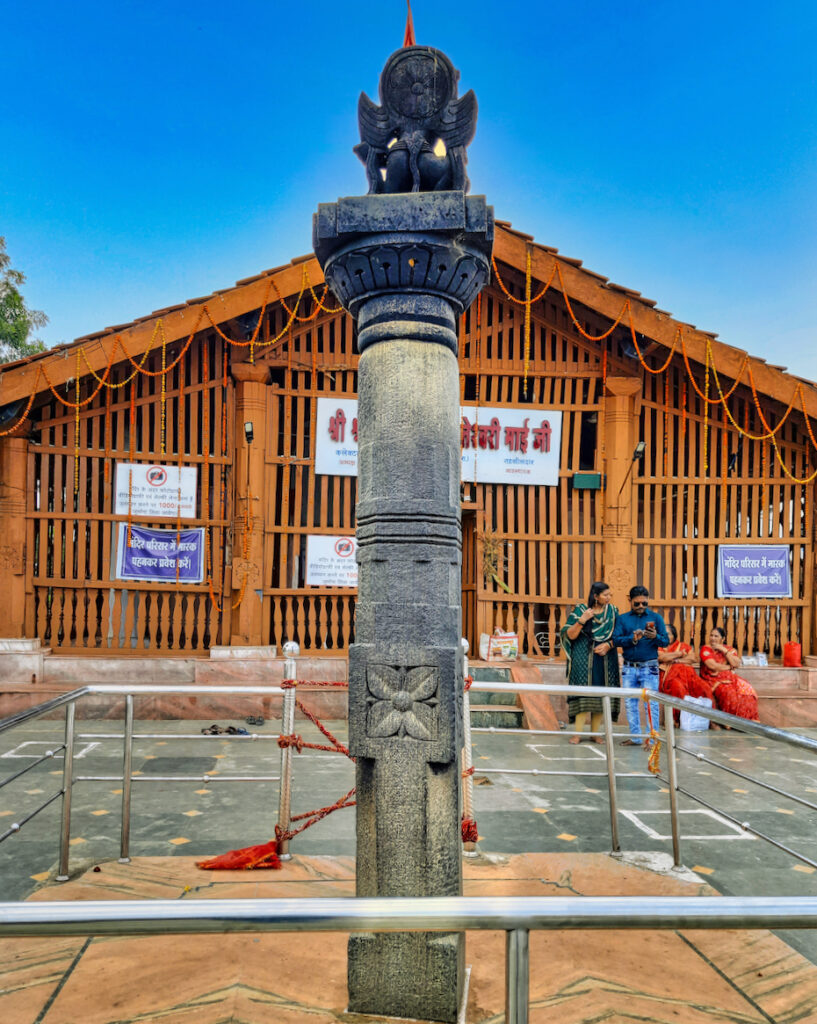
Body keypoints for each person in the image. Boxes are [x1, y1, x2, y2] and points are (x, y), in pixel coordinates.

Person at [560, 581, 621, 744]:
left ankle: (595, 733)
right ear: (595, 596)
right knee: (582, 692)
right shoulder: (581, 610)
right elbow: (570, 635)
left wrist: (609, 645)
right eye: (605, 595)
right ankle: (577, 734)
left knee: (602, 692)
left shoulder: (613, 612)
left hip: (606, 657)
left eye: (610, 595)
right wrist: (582, 620)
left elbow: (619, 635)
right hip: (583, 656)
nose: (609, 598)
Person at [612, 585, 669, 746]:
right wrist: (633, 639)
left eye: (644, 603)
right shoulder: (623, 619)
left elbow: (665, 641)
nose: (641, 607)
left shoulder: (656, 618)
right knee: (630, 704)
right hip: (629, 667)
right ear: (630, 600)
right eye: (637, 604)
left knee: (651, 704)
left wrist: (655, 636)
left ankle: (652, 738)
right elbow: (616, 640)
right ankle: (636, 737)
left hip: (649, 667)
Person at [699, 626, 760, 722]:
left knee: (747, 689)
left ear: (722, 639)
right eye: (711, 635)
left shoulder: (729, 650)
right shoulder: (706, 649)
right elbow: (712, 666)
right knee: (728, 692)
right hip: (712, 679)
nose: (713, 638)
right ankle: (733, 721)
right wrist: (728, 667)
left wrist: (723, 650)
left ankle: (749, 719)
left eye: (716, 636)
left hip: (730, 678)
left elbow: (736, 664)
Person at [658, 624, 713, 724]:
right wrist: (680, 654)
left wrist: (676, 660)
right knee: (678, 687)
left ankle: (710, 720)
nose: (666, 636)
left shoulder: (683, 646)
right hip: (670, 677)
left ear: (674, 635)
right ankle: (679, 720)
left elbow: (693, 658)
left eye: (669, 634)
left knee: (705, 688)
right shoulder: (659, 647)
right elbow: (662, 658)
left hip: (689, 676)